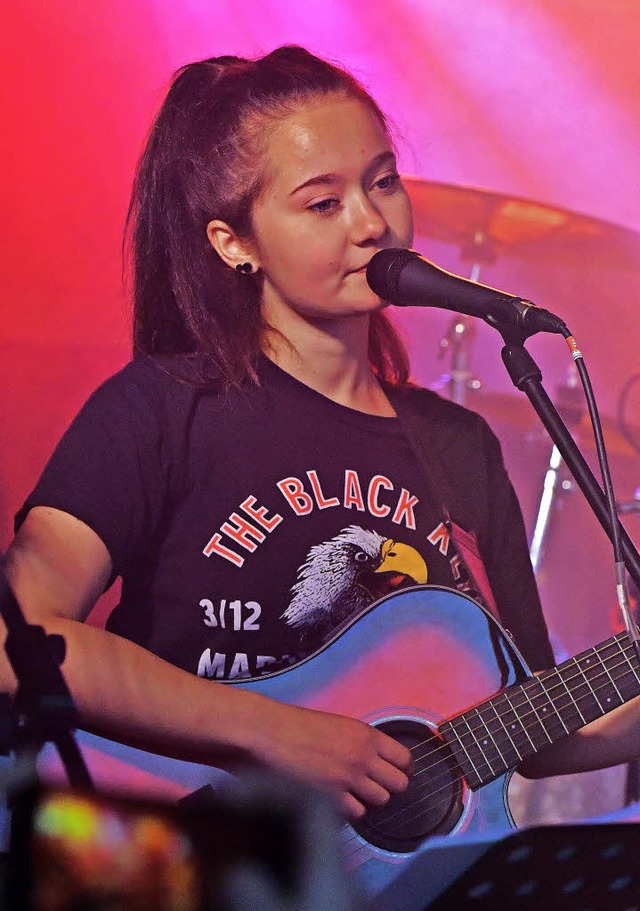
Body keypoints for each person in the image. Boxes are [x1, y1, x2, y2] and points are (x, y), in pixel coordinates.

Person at [2, 45, 640, 833]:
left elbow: (528, 721)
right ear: (234, 243)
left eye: (382, 181)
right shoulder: (162, 409)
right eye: (322, 203)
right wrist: (270, 729)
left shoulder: (460, 445)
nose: (373, 223)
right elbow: (17, 637)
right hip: (178, 853)